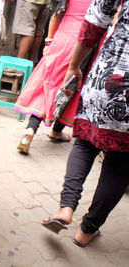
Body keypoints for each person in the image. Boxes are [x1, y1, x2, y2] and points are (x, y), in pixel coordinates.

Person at [41, 0, 129, 247]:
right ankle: (86, 231)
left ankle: (66, 208)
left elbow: (95, 20)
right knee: (121, 162)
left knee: (85, 144)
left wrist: (73, 65)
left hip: (110, 75)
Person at [15, 0, 93, 154]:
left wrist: (49, 41)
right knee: (72, 88)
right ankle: (56, 130)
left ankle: (31, 129)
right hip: (85, 44)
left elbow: (55, 15)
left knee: (47, 84)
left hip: (62, 39)